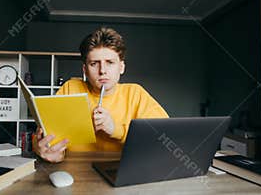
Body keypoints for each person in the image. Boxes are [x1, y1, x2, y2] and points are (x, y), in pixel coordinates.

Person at [34, 27, 169, 163]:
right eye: (94, 64)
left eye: (109, 62)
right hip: (75, 174)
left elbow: (163, 135)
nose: (102, 71)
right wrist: (44, 150)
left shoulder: (135, 93)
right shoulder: (70, 88)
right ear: (85, 70)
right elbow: (44, 135)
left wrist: (116, 130)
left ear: (121, 67)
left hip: (122, 173)